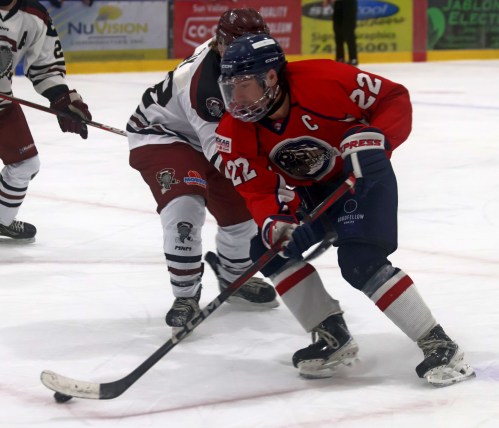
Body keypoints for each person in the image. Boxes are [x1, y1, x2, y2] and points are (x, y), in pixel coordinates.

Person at [214, 33, 476, 386]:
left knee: (358, 261)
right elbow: (258, 189)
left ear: (272, 77)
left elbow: (393, 97)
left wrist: (377, 136)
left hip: (362, 177)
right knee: (267, 250)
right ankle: (331, 336)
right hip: (312, 192)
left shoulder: (326, 79)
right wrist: (278, 222)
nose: (237, 100)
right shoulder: (234, 131)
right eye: (230, 88)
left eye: (245, 86)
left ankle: (438, 343)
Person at [126, 8, 279, 335]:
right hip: (164, 136)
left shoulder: (265, 62)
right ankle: (185, 296)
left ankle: (234, 276)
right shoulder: (199, 81)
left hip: (211, 138)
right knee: (185, 204)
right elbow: (216, 149)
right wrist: (269, 179)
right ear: (220, 45)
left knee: (240, 215)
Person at [0, 0, 92, 242]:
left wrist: (62, 99)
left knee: (25, 163)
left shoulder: (34, 15)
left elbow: (46, 67)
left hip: (2, 105)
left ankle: (0, 219)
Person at [323, 0, 358, 65]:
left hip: (349, 5)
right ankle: (340, 58)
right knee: (338, 32)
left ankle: (353, 58)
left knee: (349, 33)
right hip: (338, 5)